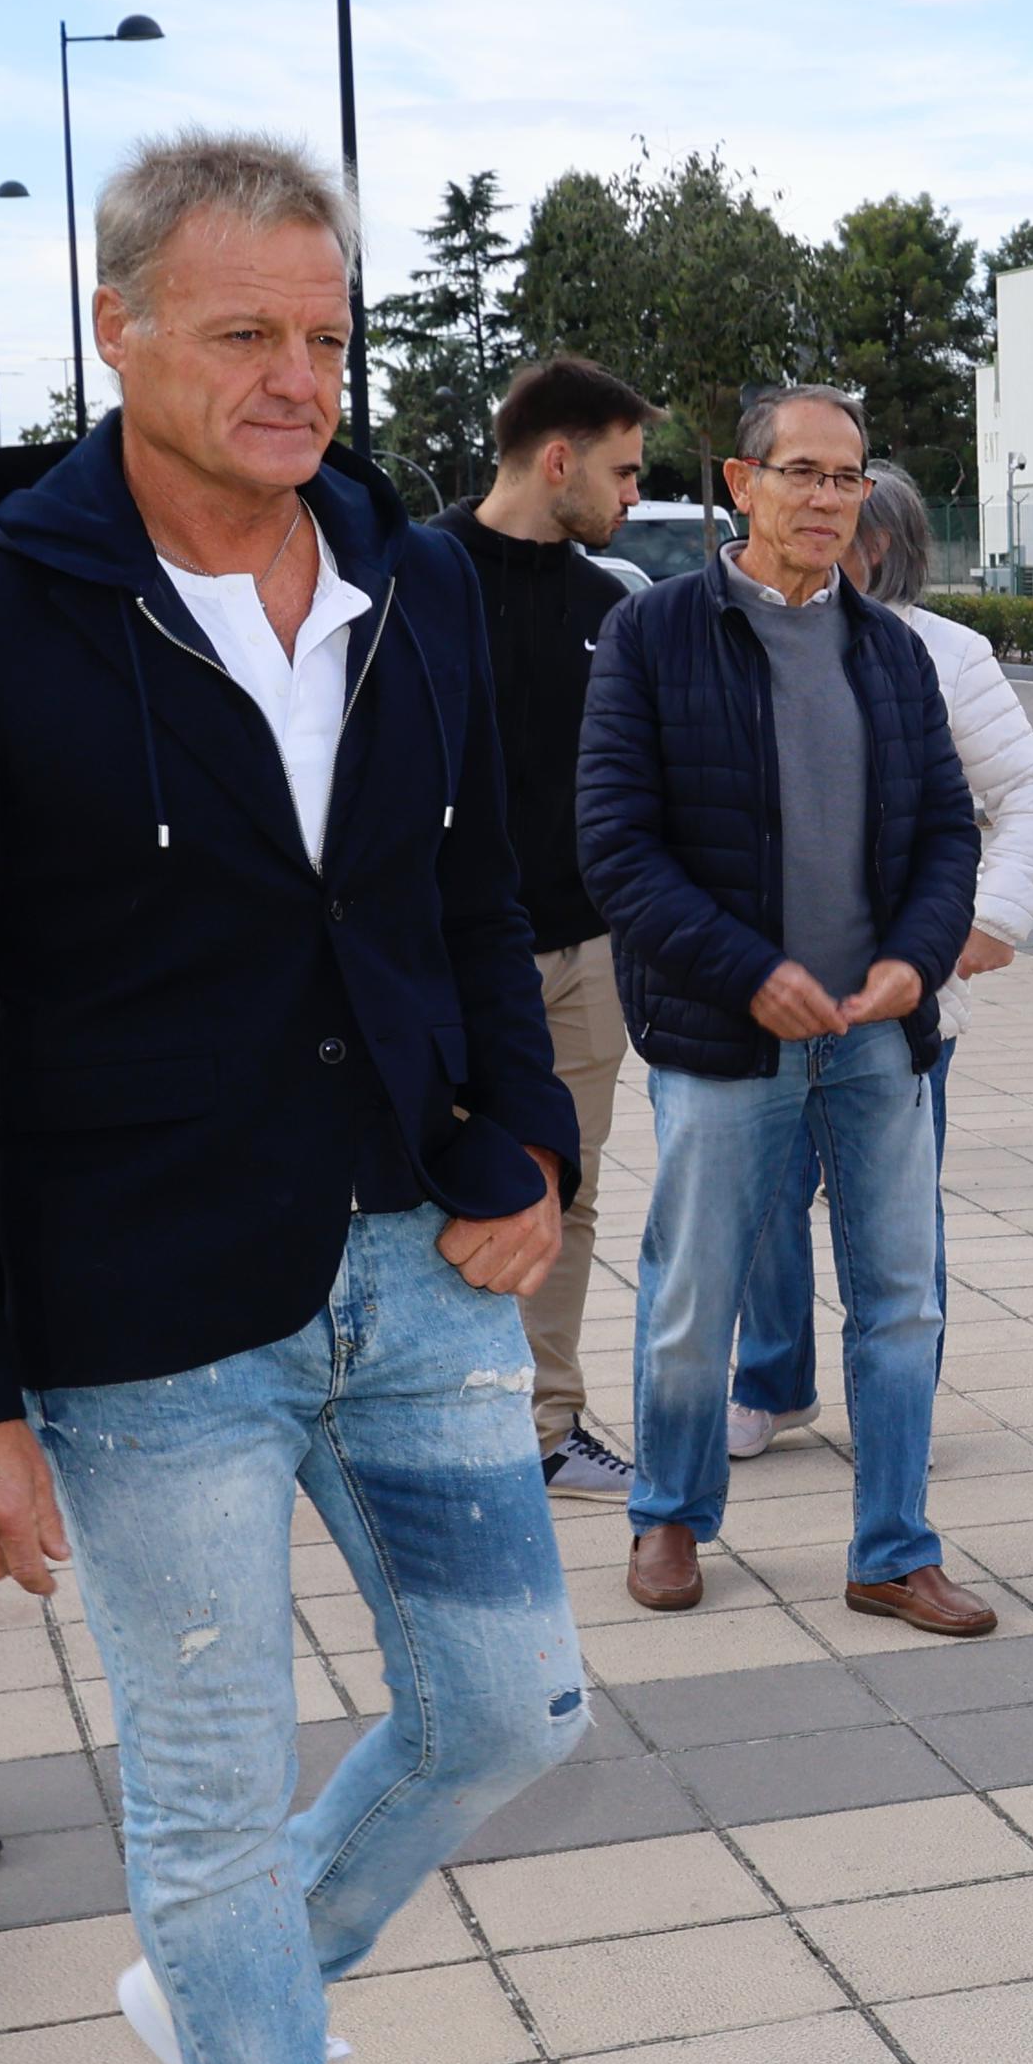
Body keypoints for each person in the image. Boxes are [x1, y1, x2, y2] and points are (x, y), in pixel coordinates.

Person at [0, 133, 584, 2064]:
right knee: (202, 1785)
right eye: (245, 330)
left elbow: (468, 894)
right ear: (122, 331)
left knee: (512, 1705)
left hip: (414, 1258)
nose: (296, 376)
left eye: (326, 335)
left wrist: (526, 1140)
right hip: (145, 1305)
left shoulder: (405, 576)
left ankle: (229, 1981)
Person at [578, 384, 988, 1633]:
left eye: (846, 476)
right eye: (800, 471)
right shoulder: (652, 634)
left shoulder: (892, 650)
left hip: (877, 1035)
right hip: (724, 1036)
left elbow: (947, 833)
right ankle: (668, 1513)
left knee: (901, 1301)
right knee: (692, 1293)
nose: (825, 498)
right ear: (739, 482)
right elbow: (616, 846)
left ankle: (893, 1550)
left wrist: (916, 961)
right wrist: (749, 971)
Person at [727, 463, 1033, 1449]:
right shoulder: (739, 633)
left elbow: (1026, 794)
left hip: (901, 998)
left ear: (885, 546)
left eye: (851, 523)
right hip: (763, 987)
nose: (821, 530)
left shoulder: (944, 653)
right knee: (759, 1204)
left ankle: (893, 1409)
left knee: (894, 1224)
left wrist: (987, 924)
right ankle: (772, 1382)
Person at [447, 353, 656, 1497]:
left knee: (560, 1194)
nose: (634, 494)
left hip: (583, 955)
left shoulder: (606, 607)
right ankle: (433, 1425)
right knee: (437, 1197)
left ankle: (545, 1425)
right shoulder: (413, 577)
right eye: (623, 472)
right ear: (559, 460)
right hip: (444, 963)